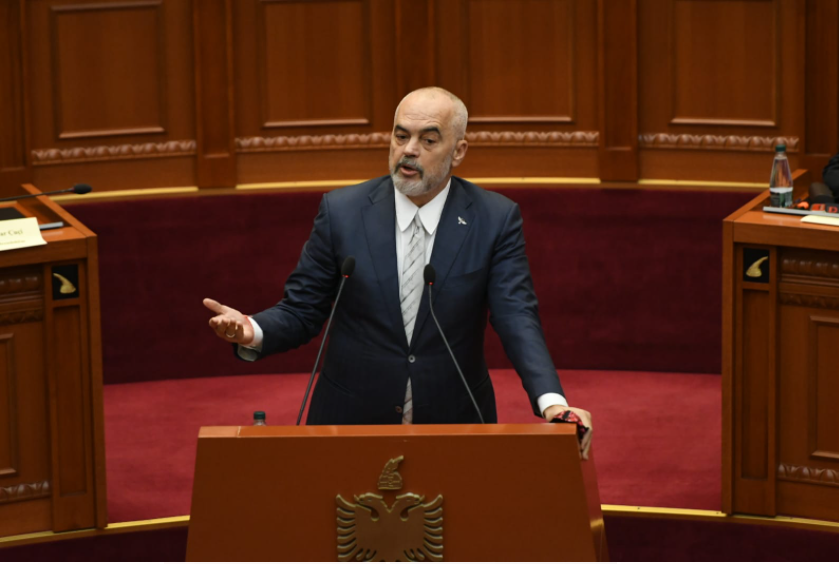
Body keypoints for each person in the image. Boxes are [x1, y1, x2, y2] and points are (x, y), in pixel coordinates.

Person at [204, 87, 593, 458]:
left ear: (458, 151)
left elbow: (516, 316)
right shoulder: (342, 212)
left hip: (455, 421)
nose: (409, 150)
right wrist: (251, 329)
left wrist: (552, 402)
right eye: (401, 135)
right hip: (349, 421)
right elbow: (302, 309)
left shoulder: (494, 219)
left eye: (428, 140)